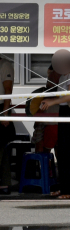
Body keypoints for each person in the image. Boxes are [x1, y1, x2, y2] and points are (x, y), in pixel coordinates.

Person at [40, 59, 70, 199]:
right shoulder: (63, 76)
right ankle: (64, 188)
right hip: (64, 113)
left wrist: (52, 101)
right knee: (63, 151)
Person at [0, 56, 14, 195]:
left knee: (1, 148)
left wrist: (5, 113)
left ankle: (4, 183)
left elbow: (8, 90)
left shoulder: (4, 64)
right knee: (2, 151)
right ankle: (4, 183)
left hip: (1, 108)